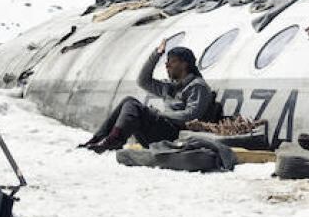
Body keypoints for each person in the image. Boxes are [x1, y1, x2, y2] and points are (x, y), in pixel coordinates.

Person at [78, 39, 220, 152]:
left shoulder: (197, 86)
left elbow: (192, 115)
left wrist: (162, 115)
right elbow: (143, 80)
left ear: (184, 64)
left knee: (133, 105)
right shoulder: (169, 86)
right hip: (161, 131)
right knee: (128, 100)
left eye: (171, 61)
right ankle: (99, 138)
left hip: (175, 134)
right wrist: (156, 54)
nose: (167, 65)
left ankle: (115, 139)